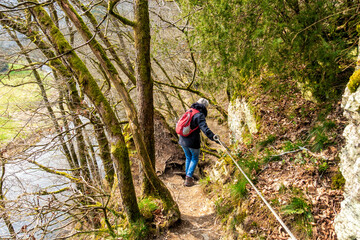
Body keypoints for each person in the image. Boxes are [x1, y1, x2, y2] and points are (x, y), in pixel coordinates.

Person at [179, 98, 218, 187]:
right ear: (205, 107)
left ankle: (187, 177)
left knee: (188, 157)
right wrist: (213, 137)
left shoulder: (189, 111)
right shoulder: (199, 115)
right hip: (193, 141)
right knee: (194, 158)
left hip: (182, 140)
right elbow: (205, 129)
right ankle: (189, 179)